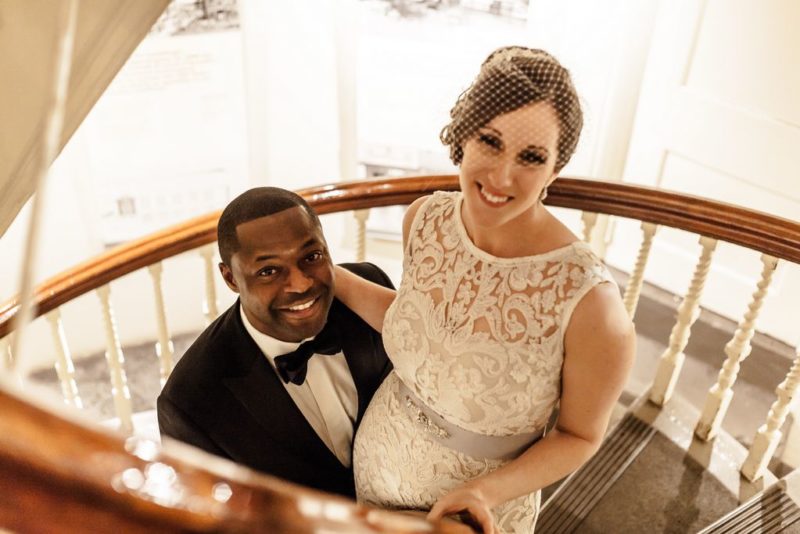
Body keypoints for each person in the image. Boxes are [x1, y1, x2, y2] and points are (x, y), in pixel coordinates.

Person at [334, 46, 636, 533]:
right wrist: (326, 275)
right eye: (490, 142)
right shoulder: (425, 220)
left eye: (531, 157)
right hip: (377, 460)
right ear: (462, 137)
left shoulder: (590, 304)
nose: (501, 176)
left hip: (474, 510)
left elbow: (578, 435)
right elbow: (422, 325)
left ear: (555, 171)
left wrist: (482, 493)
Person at [157, 187, 393, 498]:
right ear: (230, 279)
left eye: (311, 256)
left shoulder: (369, 291)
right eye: (268, 271)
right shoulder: (191, 403)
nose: (301, 283)